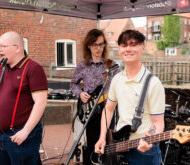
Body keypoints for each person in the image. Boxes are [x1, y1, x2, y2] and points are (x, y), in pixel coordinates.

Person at [0, 31, 48, 165]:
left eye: (3, 46)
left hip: (20, 133)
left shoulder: (33, 68)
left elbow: (40, 102)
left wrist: (26, 131)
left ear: (17, 47)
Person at [94, 30, 165, 165]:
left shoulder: (153, 83)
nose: (128, 49)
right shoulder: (116, 78)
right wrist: (102, 137)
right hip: (119, 146)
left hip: (144, 150)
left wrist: (149, 139)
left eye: (133, 45)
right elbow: (108, 110)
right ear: (119, 49)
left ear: (142, 48)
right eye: (124, 45)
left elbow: (158, 121)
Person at [70, 29, 118, 164]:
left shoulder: (112, 66)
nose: (99, 48)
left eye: (101, 44)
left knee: (108, 142)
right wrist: (80, 93)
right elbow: (73, 84)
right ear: (89, 46)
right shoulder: (82, 65)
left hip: (107, 108)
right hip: (88, 109)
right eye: (95, 44)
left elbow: (118, 88)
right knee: (91, 141)